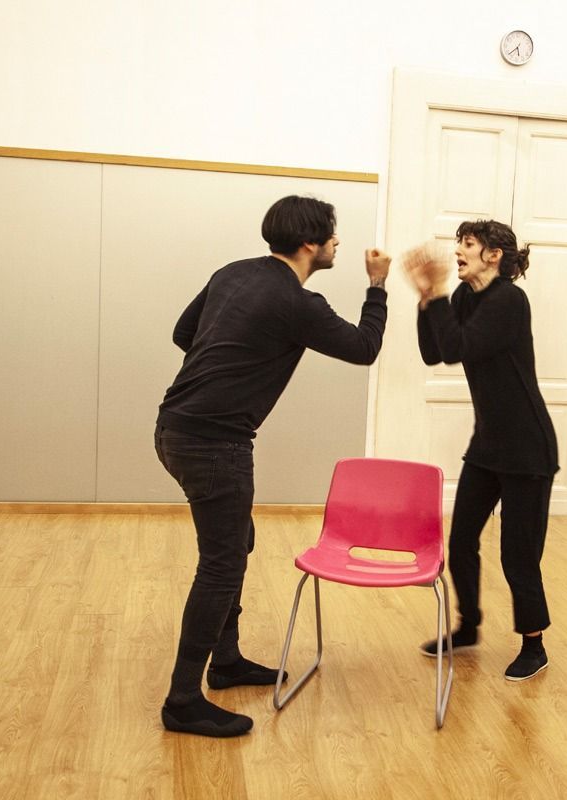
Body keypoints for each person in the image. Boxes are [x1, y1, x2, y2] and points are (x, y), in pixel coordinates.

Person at [155, 195, 390, 736]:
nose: (337, 242)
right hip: (215, 444)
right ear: (309, 243)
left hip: (173, 428)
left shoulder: (233, 272)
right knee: (221, 565)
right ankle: (182, 700)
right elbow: (364, 347)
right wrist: (377, 285)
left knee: (237, 542)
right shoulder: (298, 303)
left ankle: (227, 661)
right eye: (331, 234)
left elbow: (183, 334)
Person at [403, 220, 558, 682]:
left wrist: (436, 294)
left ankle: (534, 644)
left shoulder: (509, 301)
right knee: (461, 540)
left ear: (494, 255)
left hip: (528, 448)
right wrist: (428, 299)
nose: (458, 251)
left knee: (518, 553)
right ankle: (468, 625)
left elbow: (458, 347)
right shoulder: (466, 297)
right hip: (489, 444)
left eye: (467, 244)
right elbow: (435, 351)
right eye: (459, 243)